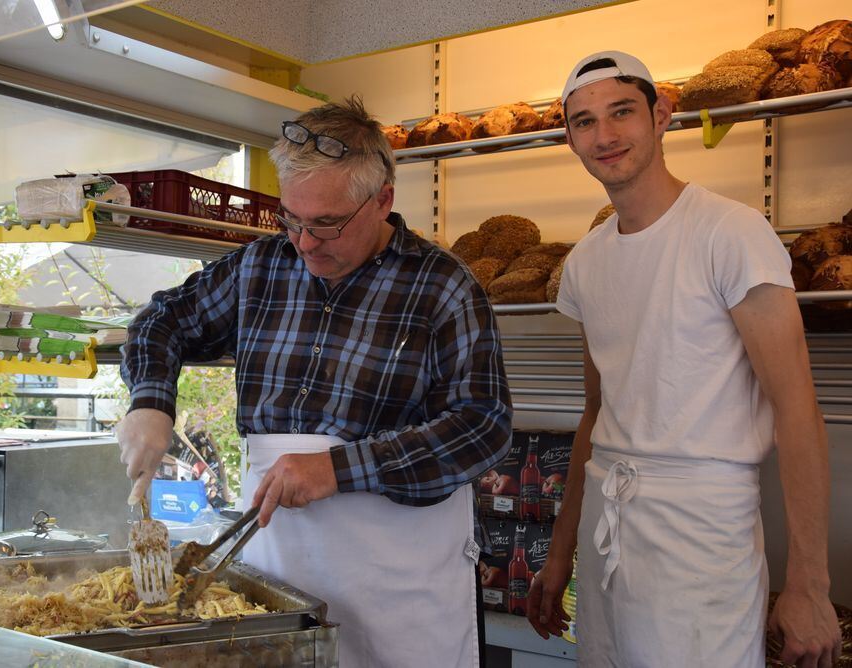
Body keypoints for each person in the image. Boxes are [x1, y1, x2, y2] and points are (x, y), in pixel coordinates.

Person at [117, 97, 513, 668]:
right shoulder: (262, 264)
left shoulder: (443, 285)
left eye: (326, 224)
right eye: (292, 219)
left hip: (397, 583)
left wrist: (337, 468)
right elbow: (162, 321)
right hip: (277, 566)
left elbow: (483, 427)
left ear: (383, 201)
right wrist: (150, 404)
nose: (304, 243)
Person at [525, 50, 842, 667]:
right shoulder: (586, 263)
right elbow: (597, 414)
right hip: (607, 526)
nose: (605, 135)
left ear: (661, 115)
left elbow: (798, 410)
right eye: (585, 121)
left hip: (701, 536)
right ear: (569, 138)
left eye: (622, 113)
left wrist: (809, 585)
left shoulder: (731, 233)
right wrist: (561, 553)